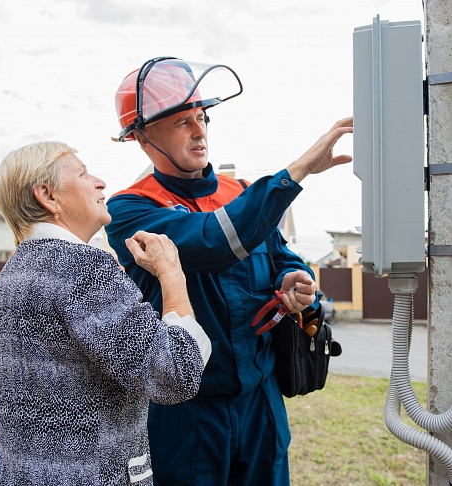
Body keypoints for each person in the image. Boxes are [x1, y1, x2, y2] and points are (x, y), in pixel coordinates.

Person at [105, 57, 353, 485]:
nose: (199, 130)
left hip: (260, 399)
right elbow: (214, 241)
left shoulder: (240, 192)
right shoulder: (129, 209)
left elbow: (280, 255)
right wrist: (297, 171)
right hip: (187, 413)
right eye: (182, 121)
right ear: (143, 138)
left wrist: (294, 280)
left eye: (201, 117)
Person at [0, 141, 211, 485]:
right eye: (83, 174)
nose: (100, 182)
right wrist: (171, 273)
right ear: (48, 195)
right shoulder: (84, 267)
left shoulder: (7, 279)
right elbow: (175, 373)